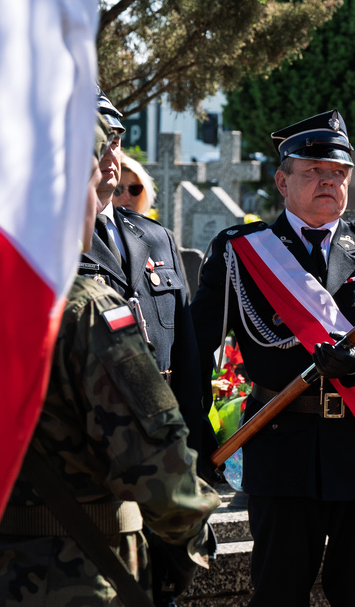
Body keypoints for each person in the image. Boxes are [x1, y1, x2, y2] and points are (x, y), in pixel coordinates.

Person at [0, 116, 220, 606]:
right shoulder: (87, 309)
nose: (99, 197)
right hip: (80, 577)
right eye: (91, 183)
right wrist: (189, 546)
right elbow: (160, 469)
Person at [191, 110, 355, 606]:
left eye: (338, 174)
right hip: (281, 448)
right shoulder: (241, 253)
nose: (328, 182)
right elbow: (197, 347)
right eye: (313, 172)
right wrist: (196, 433)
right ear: (282, 181)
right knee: (278, 595)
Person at [82, 88, 215, 481]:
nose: (111, 155)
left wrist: (194, 448)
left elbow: (188, 358)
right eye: (99, 142)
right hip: (91, 445)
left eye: (117, 142)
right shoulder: (45, 241)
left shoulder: (155, 237)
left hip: (163, 440)